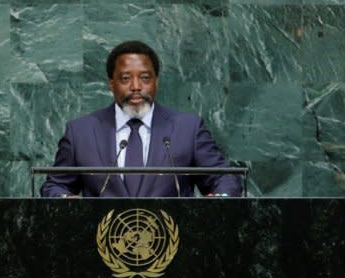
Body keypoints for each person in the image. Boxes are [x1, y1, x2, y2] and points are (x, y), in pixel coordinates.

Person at [41, 40, 242, 198]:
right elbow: (56, 185)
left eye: (145, 78)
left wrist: (220, 198)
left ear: (156, 82)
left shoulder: (188, 129)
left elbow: (224, 178)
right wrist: (64, 199)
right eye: (126, 78)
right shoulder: (81, 132)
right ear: (112, 84)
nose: (136, 86)